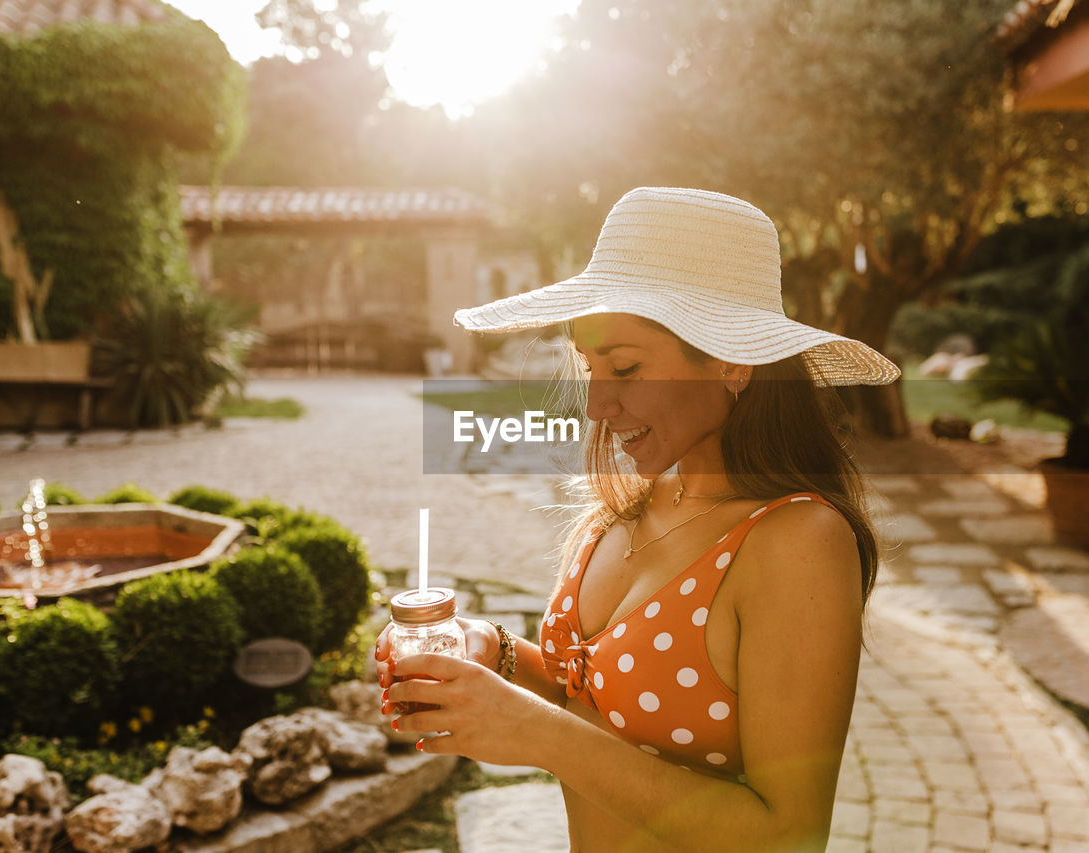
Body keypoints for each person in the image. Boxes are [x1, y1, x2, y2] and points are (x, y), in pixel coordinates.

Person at [376, 187, 899, 852]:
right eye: (589, 366)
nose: (596, 404)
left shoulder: (797, 541)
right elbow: (603, 698)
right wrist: (498, 653)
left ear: (732, 359)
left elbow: (787, 834)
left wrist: (535, 732)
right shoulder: (631, 504)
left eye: (624, 366)